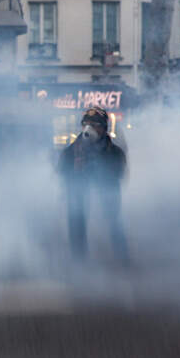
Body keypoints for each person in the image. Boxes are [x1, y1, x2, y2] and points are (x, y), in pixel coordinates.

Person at [58, 106, 130, 265]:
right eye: (86, 123)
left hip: (107, 191)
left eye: (95, 124)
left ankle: (122, 256)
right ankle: (79, 260)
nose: (89, 128)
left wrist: (102, 171)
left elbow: (119, 172)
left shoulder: (114, 152)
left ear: (104, 128)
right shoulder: (71, 151)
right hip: (78, 191)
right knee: (77, 219)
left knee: (114, 220)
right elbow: (62, 172)